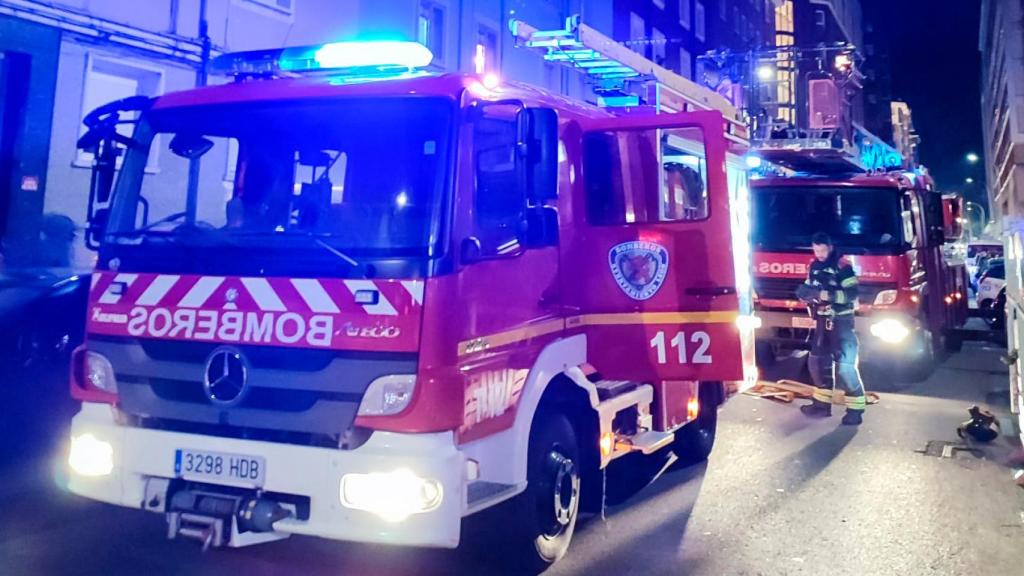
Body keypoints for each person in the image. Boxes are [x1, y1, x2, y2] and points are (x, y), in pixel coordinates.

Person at [796, 232, 867, 426]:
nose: (819, 254)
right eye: (816, 250)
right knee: (817, 363)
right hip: (821, 320)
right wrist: (804, 293)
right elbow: (810, 286)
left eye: (822, 250)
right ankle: (821, 405)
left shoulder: (843, 266)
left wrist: (825, 295)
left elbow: (851, 294)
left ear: (830, 248)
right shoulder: (814, 266)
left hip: (841, 321)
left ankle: (855, 409)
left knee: (845, 368)